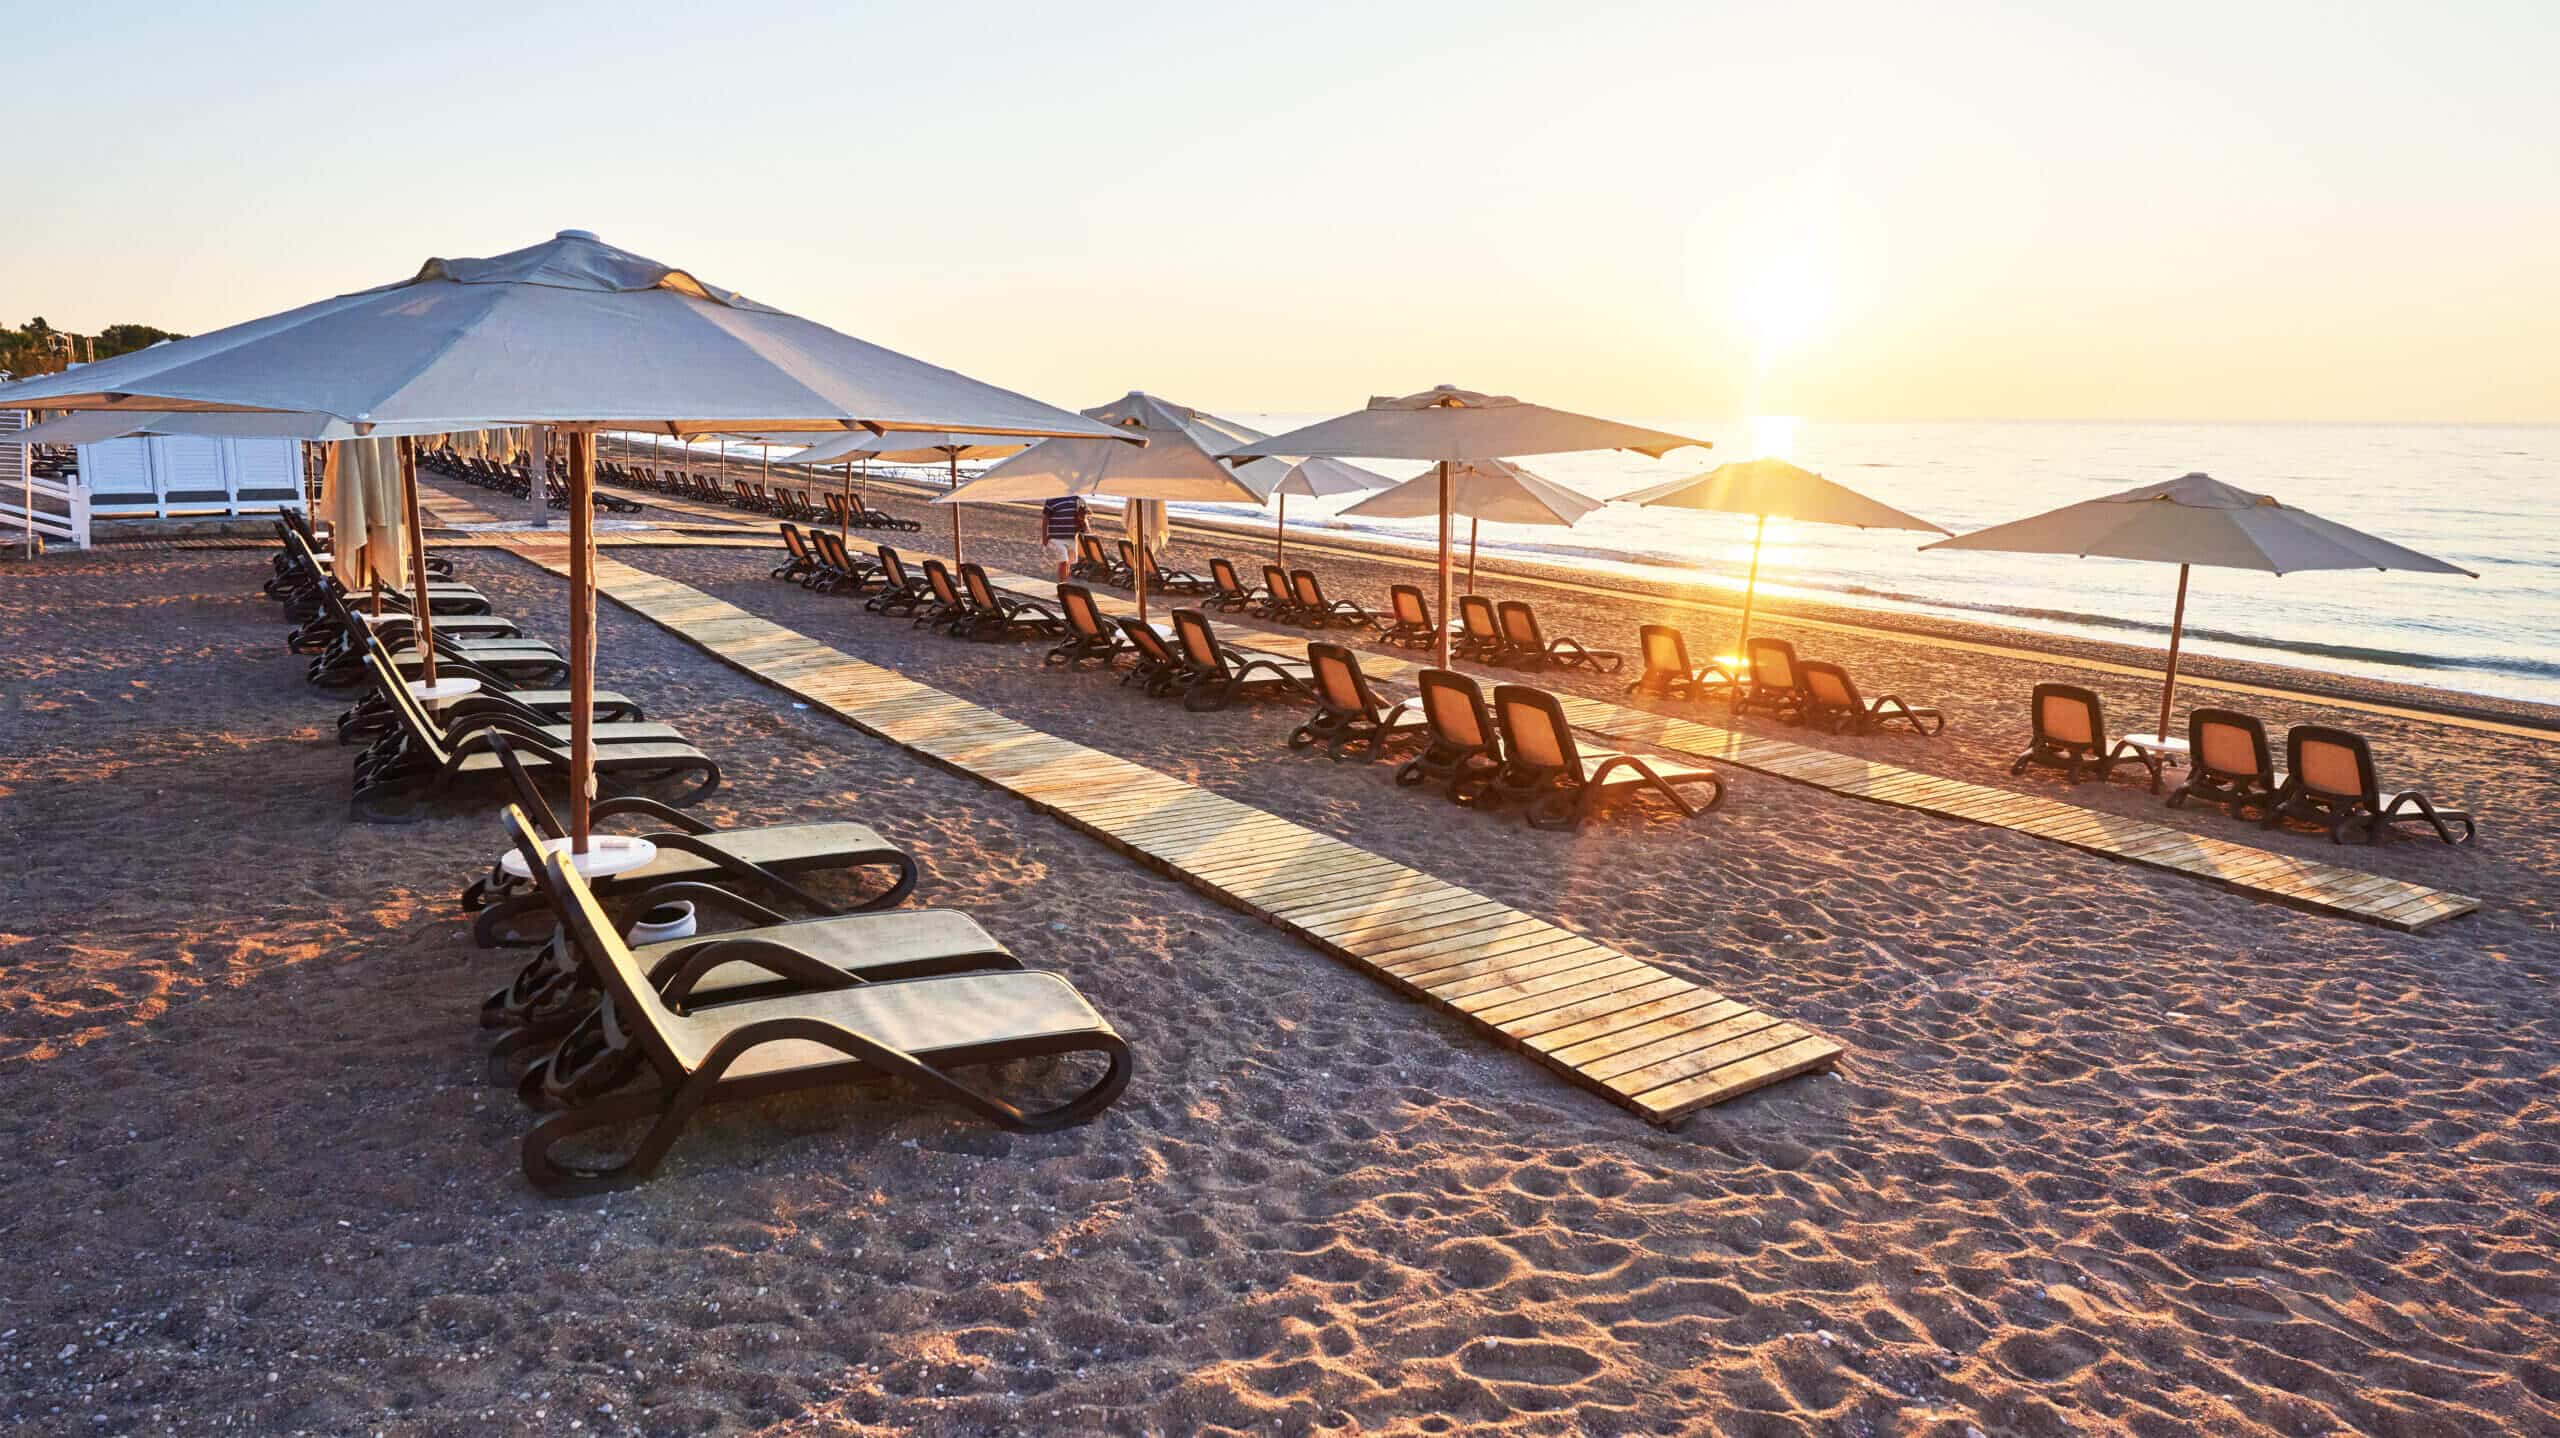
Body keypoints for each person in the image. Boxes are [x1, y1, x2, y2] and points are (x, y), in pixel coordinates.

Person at [1043, 493, 1088, 582]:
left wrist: (1083, 521)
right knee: (1064, 561)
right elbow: (1045, 520)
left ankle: (1063, 581)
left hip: (1071, 537)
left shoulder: (1077, 499)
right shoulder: (1051, 499)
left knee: (1068, 563)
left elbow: (1084, 517)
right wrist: (1044, 537)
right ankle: (1063, 582)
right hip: (1055, 537)